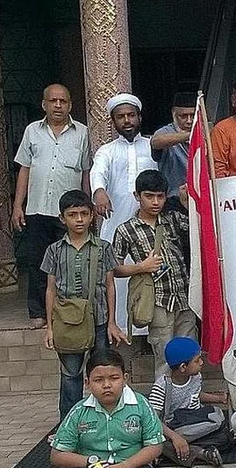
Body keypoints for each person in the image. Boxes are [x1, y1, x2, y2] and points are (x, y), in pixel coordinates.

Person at [50, 349, 166, 468]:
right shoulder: (79, 411)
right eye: (98, 380)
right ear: (87, 383)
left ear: (125, 379)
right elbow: (57, 456)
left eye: (114, 378)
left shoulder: (140, 404)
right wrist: (90, 462)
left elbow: (155, 446)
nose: (107, 385)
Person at [42, 190, 127, 420]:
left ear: (92, 216)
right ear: (62, 218)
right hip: (67, 323)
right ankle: (69, 423)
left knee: (102, 372)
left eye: (83, 214)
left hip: (99, 320)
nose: (79, 219)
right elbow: (50, 289)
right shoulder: (54, 251)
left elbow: (110, 285)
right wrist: (50, 327)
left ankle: (104, 418)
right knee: (70, 375)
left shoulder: (103, 248)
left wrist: (112, 322)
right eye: (72, 214)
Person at [12, 84, 91, 330]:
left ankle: (70, 311)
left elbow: (86, 171)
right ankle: (37, 312)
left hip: (69, 212)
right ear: (44, 104)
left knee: (70, 262)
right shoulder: (32, 131)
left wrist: (87, 208)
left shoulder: (83, 133)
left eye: (63, 101)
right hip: (37, 209)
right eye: (53, 101)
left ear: (70, 105)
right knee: (37, 262)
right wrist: (17, 206)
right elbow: (24, 168)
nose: (58, 105)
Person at [111, 170, 195, 380]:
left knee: (191, 357)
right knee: (164, 360)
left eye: (160, 196)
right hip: (156, 301)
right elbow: (114, 269)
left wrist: (186, 203)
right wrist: (142, 267)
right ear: (137, 196)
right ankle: (163, 409)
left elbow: (200, 228)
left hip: (185, 298)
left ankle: (190, 405)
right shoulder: (125, 230)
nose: (156, 202)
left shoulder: (173, 218)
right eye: (149, 196)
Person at [90, 93, 158, 334]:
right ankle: (117, 328)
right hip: (115, 225)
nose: (126, 120)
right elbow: (98, 172)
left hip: (150, 227)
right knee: (115, 277)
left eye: (131, 115)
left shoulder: (152, 146)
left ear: (139, 117)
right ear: (113, 122)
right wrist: (98, 191)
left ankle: (149, 332)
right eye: (121, 117)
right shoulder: (106, 151)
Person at [147, 336, 226, 467]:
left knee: (223, 435)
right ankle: (200, 453)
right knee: (158, 443)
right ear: (183, 367)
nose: (201, 363)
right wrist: (175, 437)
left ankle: (185, 449)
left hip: (196, 422)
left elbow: (194, 395)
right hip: (175, 427)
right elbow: (152, 420)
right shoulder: (162, 386)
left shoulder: (196, 377)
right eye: (197, 360)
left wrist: (218, 399)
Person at [150, 91, 195, 198]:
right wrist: (191, 135)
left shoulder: (206, 132)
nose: (189, 121)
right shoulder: (167, 131)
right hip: (174, 200)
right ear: (174, 114)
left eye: (193, 115)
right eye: (183, 116)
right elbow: (156, 142)